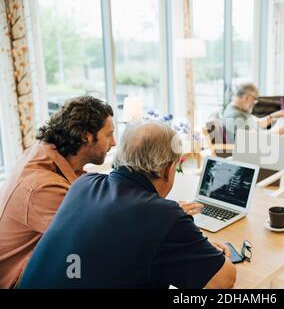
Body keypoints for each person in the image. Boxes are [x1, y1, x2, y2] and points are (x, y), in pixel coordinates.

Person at [18, 122, 236, 289]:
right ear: (169, 169)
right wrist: (209, 253)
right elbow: (223, 280)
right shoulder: (164, 215)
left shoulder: (84, 184)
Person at [0, 96, 116, 288]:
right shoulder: (42, 187)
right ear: (86, 136)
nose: (113, 142)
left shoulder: (50, 154)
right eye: (109, 134)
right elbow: (95, 239)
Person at [223, 83, 284, 197]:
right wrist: (282, 131)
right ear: (247, 97)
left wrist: (273, 116)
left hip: (256, 147)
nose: (255, 102)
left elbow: (255, 126)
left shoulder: (237, 110)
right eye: (255, 99)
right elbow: (252, 141)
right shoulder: (235, 116)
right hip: (252, 156)